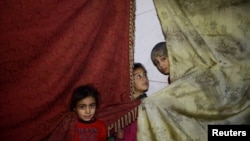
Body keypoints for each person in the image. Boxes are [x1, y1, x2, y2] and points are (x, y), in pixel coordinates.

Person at [115, 62, 149, 141]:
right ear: (129, 81)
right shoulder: (122, 103)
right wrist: (116, 132)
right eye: (138, 76)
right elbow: (114, 122)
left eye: (145, 75)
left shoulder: (147, 104)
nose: (144, 78)